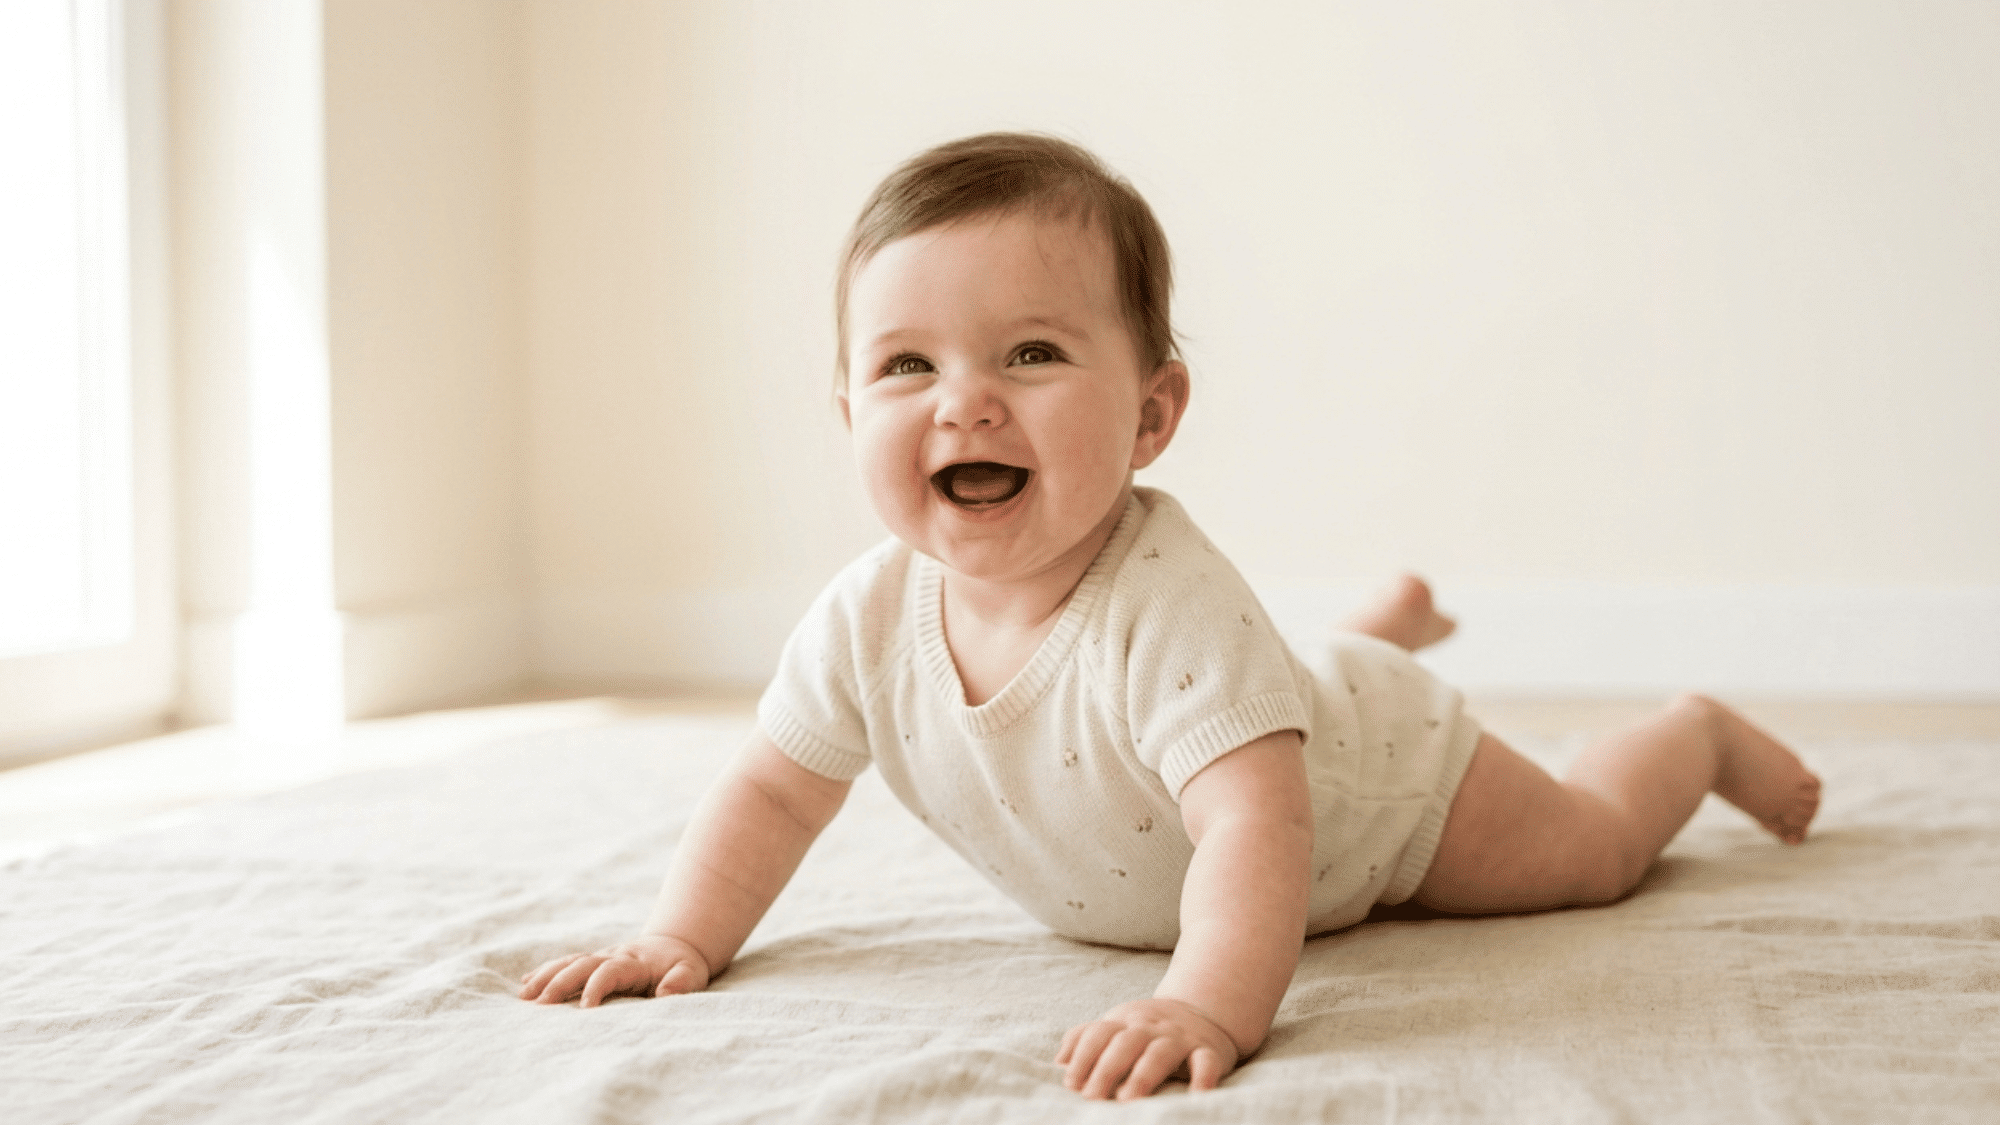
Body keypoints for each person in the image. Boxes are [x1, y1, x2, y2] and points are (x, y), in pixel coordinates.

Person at [519, 132, 1821, 1101]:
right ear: (851, 415)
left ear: (1152, 416)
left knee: (1588, 857)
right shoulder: (864, 621)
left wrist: (1208, 996)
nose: (963, 402)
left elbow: (1259, 821)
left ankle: (1693, 737)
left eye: (1029, 353)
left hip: (1380, 796)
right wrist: (681, 931)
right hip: (1272, 706)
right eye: (907, 365)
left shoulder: (1170, 611)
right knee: (1282, 686)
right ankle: (1367, 633)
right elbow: (773, 791)